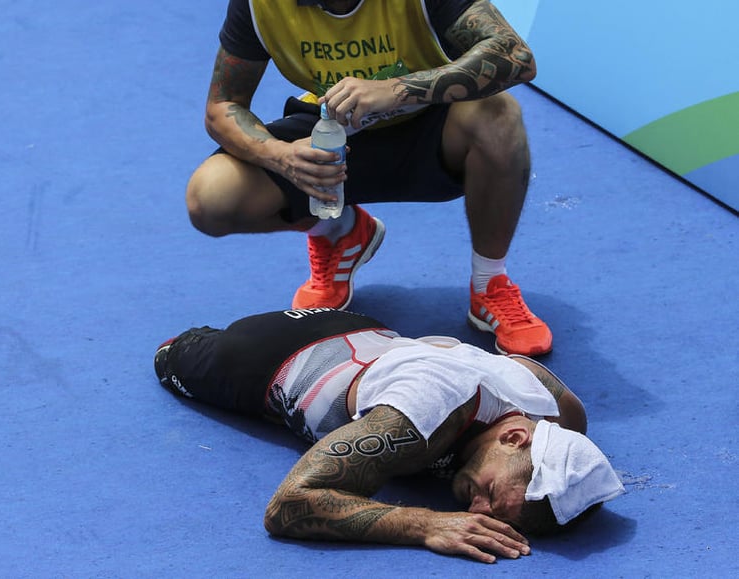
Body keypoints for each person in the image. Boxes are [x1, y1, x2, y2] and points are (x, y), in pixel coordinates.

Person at [185, 0, 554, 357]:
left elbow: (515, 57)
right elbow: (223, 106)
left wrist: (396, 89)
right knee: (211, 198)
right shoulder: (258, 3)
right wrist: (281, 157)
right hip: (332, 133)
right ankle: (338, 233)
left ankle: (490, 283)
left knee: (498, 113)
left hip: (433, 127)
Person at [153, 308, 624, 563]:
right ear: (516, 437)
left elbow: (518, 370)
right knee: (168, 355)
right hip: (271, 353)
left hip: (370, 331)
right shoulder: (421, 418)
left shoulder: (562, 415)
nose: (475, 510)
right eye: (490, 495)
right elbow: (287, 506)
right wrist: (427, 525)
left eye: (495, 514)